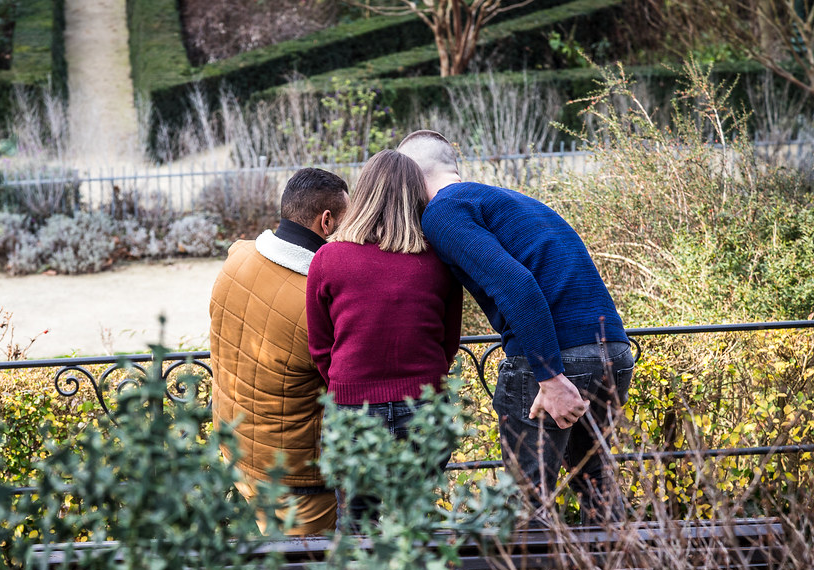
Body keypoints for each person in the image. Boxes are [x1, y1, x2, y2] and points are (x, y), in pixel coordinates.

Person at [398, 130, 633, 524]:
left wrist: (551, 378)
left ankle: (534, 569)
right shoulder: (506, 201)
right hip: (612, 351)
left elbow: (517, 285)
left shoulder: (443, 211)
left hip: (558, 360)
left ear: (410, 177)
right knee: (597, 486)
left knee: (527, 505)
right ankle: (627, 565)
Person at [306, 150, 463, 531]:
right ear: (417, 197)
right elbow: (448, 341)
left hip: (353, 409)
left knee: (356, 523)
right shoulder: (439, 260)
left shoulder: (327, 258)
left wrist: (350, 385)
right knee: (415, 523)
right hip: (424, 406)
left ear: (363, 194)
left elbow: (321, 347)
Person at [209, 167, 349, 535]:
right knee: (307, 568)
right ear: (327, 222)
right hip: (294, 479)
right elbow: (347, 385)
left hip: (238, 450)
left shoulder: (237, 258)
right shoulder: (315, 301)